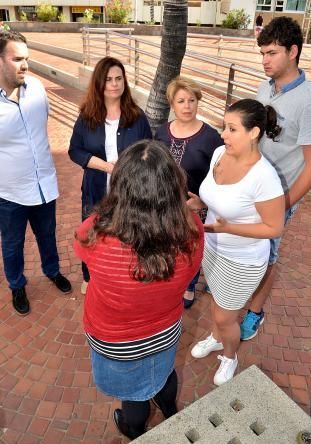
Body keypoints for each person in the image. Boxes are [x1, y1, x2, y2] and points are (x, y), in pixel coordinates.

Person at [74, 140, 204, 439]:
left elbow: (84, 246)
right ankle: (168, 406)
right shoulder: (192, 231)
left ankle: (135, 430)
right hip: (165, 330)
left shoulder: (95, 234)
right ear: (173, 187)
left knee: (133, 397)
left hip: (114, 339)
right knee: (164, 372)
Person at [189, 99, 284, 385]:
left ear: (254, 132)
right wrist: (199, 203)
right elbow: (216, 197)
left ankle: (230, 356)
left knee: (224, 316)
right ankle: (217, 338)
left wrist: (230, 227)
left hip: (242, 260)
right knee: (218, 306)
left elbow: (274, 227)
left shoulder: (264, 177)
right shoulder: (220, 153)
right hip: (213, 249)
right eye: (223, 126)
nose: (223, 134)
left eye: (232, 128)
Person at [240, 16, 311, 341]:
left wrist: (284, 204)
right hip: (250, 186)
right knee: (245, 244)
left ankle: (255, 312)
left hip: (279, 196)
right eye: (262, 54)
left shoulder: (308, 100)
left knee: (268, 256)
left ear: (293, 51)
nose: (265, 60)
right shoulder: (264, 86)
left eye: (272, 53)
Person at [0, 31, 72, 316]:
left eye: (26, 59)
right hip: (10, 191)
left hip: (43, 185)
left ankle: (52, 271)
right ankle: (17, 284)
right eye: (17, 59)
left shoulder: (38, 88)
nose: (24, 65)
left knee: (47, 234)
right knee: (13, 243)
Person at [69, 56, 152, 295]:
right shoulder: (87, 117)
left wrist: (129, 167)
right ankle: (89, 276)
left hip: (130, 193)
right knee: (92, 233)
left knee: (128, 234)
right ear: (99, 83)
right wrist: (106, 167)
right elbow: (75, 150)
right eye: (108, 79)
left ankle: (125, 276)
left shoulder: (136, 116)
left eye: (119, 78)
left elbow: (149, 148)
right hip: (96, 189)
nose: (114, 84)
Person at [155, 76, 223, 308]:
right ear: (172, 104)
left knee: (191, 249)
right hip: (164, 206)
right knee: (165, 245)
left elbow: (221, 176)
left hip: (195, 208)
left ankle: (190, 284)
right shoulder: (162, 132)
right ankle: (169, 282)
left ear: (198, 102)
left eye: (191, 100)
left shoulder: (211, 137)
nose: (187, 106)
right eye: (181, 101)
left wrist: (204, 202)